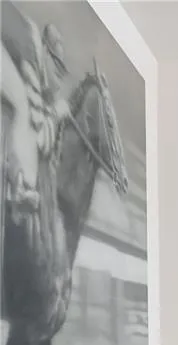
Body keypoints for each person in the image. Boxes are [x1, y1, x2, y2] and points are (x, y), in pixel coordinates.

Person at [2, 2, 70, 227]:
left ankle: (20, 185)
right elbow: (37, 127)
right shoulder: (33, 53)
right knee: (22, 106)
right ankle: (21, 187)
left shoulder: (34, 54)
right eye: (58, 68)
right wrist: (57, 113)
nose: (58, 79)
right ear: (47, 53)